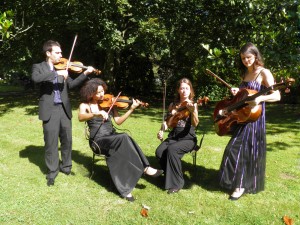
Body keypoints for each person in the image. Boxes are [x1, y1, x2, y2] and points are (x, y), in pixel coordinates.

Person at [78, 78, 163, 202]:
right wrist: (96, 114)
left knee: (123, 138)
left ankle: (126, 188)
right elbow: (80, 117)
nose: (102, 95)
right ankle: (145, 168)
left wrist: (131, 109)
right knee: (123, 137)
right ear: (91, 93)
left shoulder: (109, 105)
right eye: (98, 92)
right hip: (98, 141)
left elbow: (118, 121)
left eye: (103, 91)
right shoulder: (85, 105)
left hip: (112, 138)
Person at [218, 42, 281, 200]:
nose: (246, 61)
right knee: (234, 149)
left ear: (255, 56)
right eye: (243, 58)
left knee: (241, 151)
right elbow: (244, 96)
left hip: (255, 118)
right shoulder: (245, 74)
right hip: (242, 116)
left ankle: (240, 186)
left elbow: (277, 95)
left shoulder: (264, 72)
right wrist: (236, 92)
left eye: (249, 57)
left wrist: (261, 98)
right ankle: (239, 182)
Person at [31, 40, 95, 186]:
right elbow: (36, 79)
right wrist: (56, 73)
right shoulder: (39, 67)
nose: (61, 55)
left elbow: (71, 85)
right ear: (48, 53)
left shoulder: (64, 67)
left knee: (67, 140)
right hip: (50, 109)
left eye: (61, 52)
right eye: (57, 52)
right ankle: (52, 172)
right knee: (51, 142)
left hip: (64, 109)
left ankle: (66, 167)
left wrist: (85, 73)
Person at [155, 78, 199, 194]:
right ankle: (170, 174)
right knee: (159, 152)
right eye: (182, 88)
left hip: (188, 138)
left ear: (190, 90)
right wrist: (162, 130)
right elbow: (168, 122)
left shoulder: (192, 104)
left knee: (172, 150)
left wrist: (193, 111)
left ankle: (177, 183)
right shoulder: (173, 105)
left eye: (187, 88)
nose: (184, 91)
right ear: (178, 90)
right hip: (174, 136)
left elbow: (195, 123)